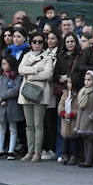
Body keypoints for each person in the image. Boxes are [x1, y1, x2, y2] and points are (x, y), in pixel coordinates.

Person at [17, 30, 56, 162]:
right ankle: (30, 151)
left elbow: (48, 74)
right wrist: (35, 70)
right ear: (31, 43)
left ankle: (37, 152)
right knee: (29, 125)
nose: (37, 44)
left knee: (38, 124)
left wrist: (30, 74)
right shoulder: (26, 56)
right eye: (35, 42)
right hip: (27, 92)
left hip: (40, 92)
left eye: (40, 42)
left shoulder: (48, 57)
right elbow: (20, 70)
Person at [0, 53, 22, 159]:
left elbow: (16, 90)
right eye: (2, 64)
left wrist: (2, 97)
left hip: (12, 106)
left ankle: (11, 150)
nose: (3, 66)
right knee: (1, 128)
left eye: (5, 64)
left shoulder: (17, 77)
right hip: (1, 106)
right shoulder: (1, 77)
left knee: (13, 128)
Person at [75, 68, 93, 167]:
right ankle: (86, 158)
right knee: (85, 139)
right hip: (83, 120)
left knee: (90, 140)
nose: (86, 82)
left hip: (90, 121)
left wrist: (91, 117)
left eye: (89, 80)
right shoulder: (83, 91)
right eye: (85, 80)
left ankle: (89, 160)